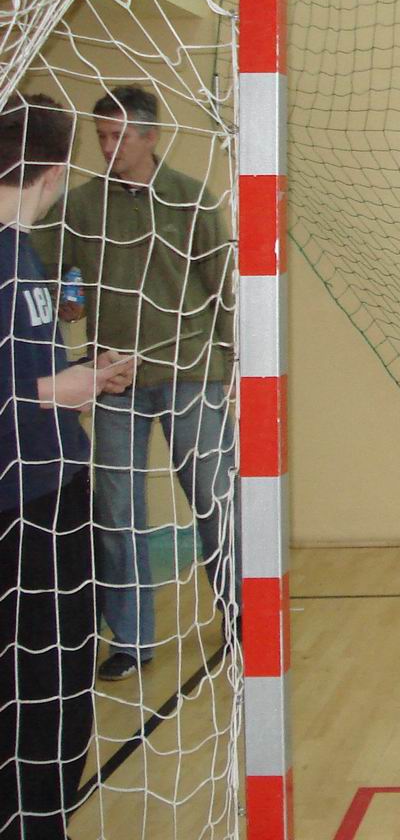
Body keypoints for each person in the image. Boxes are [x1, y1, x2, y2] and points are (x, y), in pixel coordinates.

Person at [33, 86, 237, 683]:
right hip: (114, 379)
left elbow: (223, 289)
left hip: (192, 374)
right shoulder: (81, 205)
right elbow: (47, 269)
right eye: (101, 136)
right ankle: (132, 639)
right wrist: (70, 294)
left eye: (119, 136)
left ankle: (242, 616)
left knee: (214, 501)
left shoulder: (192, 199)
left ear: (151, 137)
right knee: (117, 511)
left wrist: (236, 367)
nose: (108, 147)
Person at [1, 94, 133, 840]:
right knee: (42, 682)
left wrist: (82, 374)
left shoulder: (24, 251)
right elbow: (22, 389)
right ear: (54, 172)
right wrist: (64, 388)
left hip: (52, 482)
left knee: (57, 679)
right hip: (25, 502)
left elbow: (28, 372)